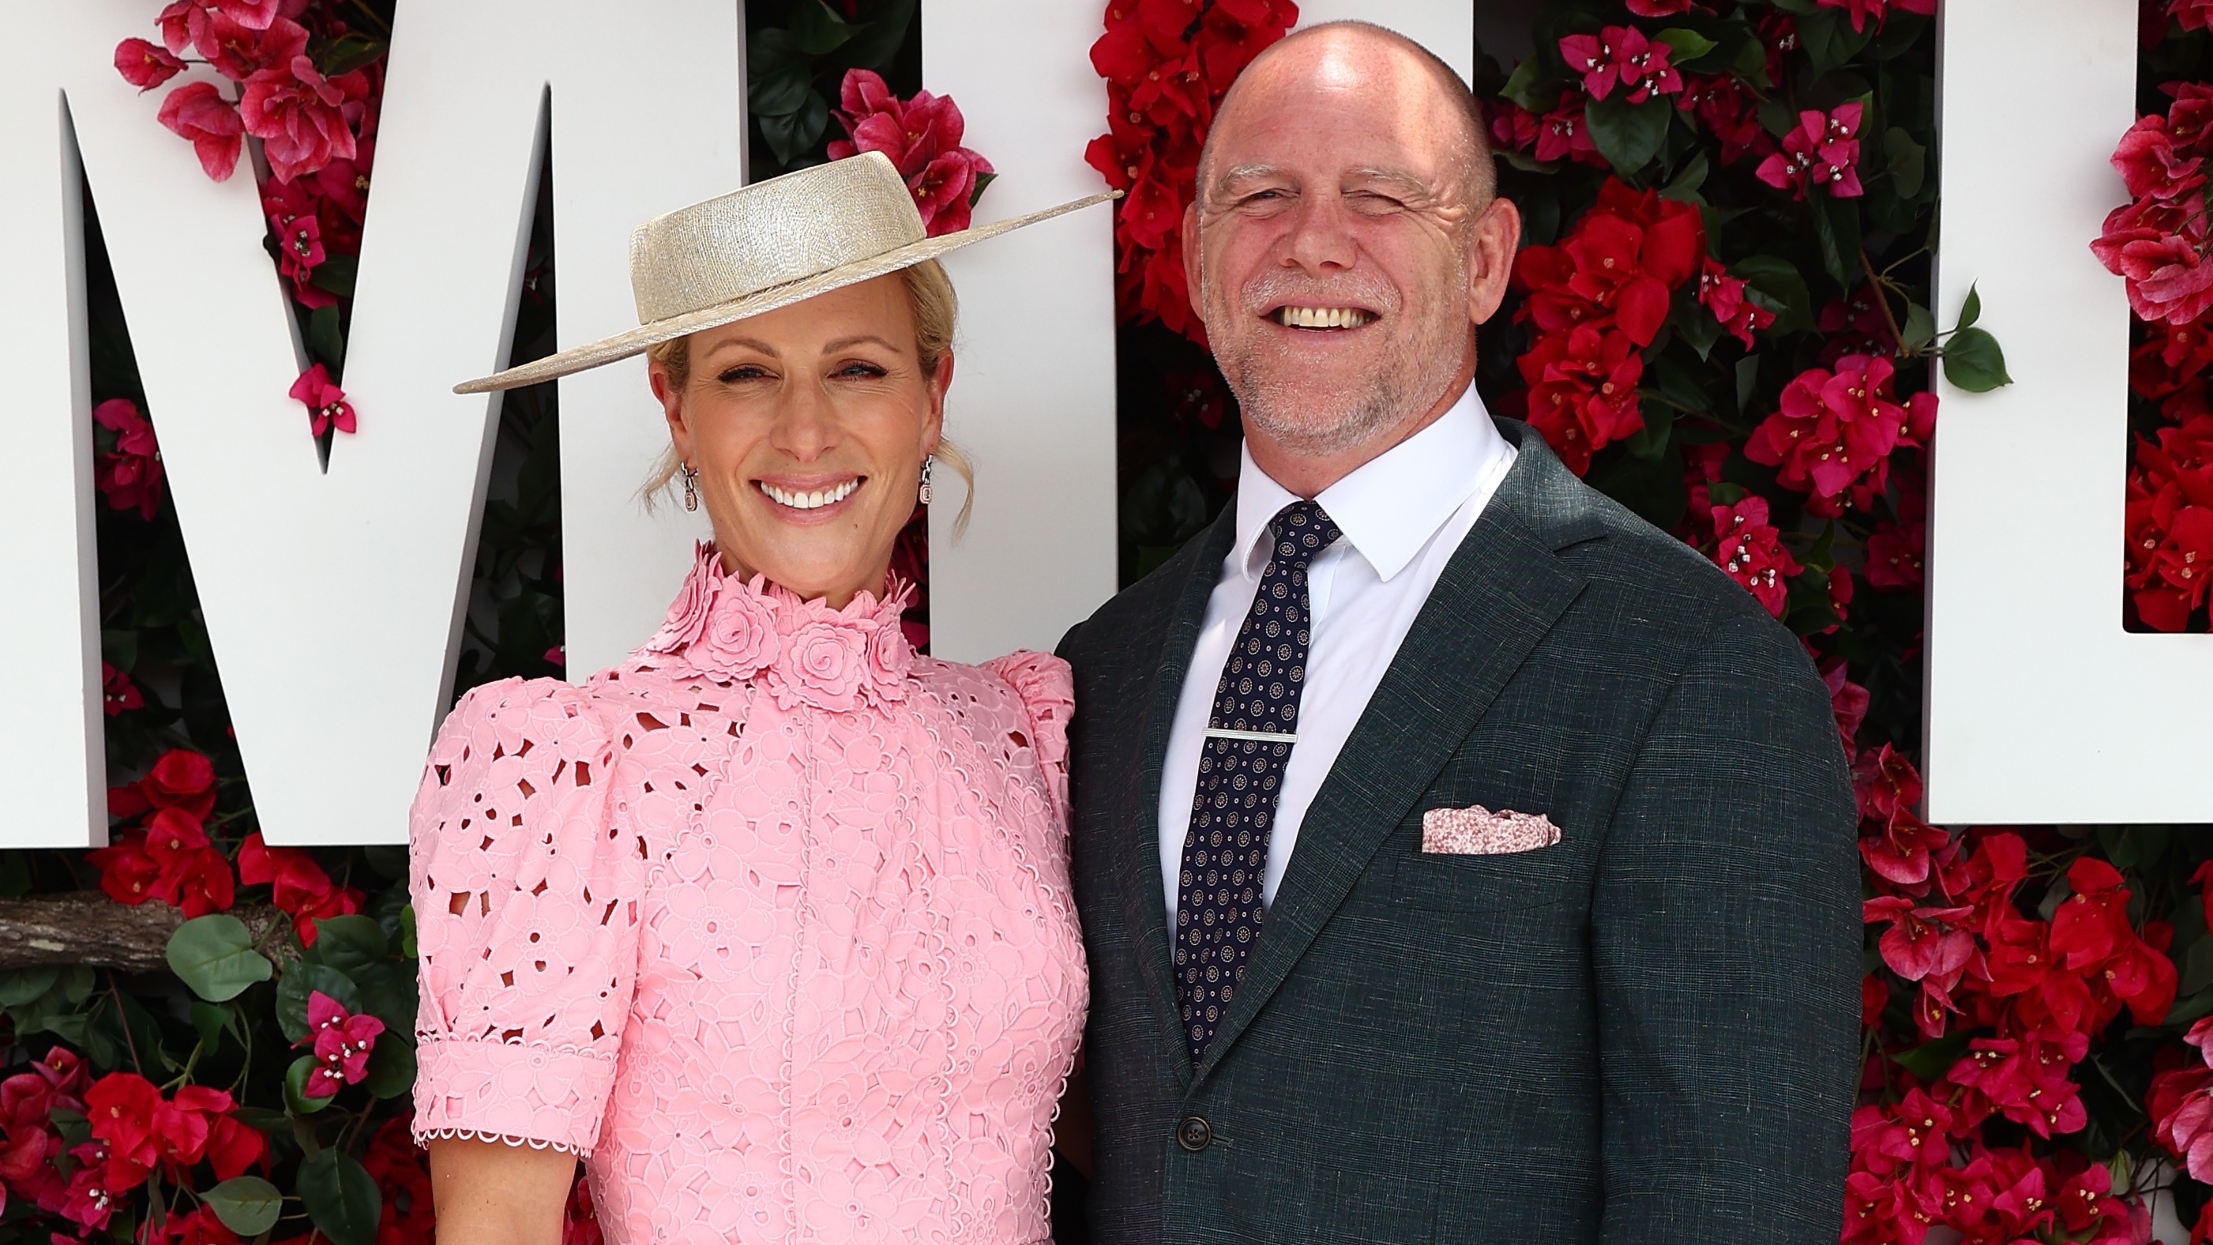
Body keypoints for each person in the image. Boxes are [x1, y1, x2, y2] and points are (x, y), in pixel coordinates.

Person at [1056, 21, 1860, 1244]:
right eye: (1260, 196)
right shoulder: (1103, 669)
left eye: (1376, 197)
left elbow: (1726, 1203)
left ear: (1483, 261)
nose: (1311, 241)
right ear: (1195, 255)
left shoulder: (1689, 666)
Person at [408, 151, 1113, 1244]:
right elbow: (495, 1226)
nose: (804, 431)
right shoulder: (569, 762)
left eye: (857, 368)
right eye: (745, 374)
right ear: (677, 412)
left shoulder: (1023, 728)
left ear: (932, 398)